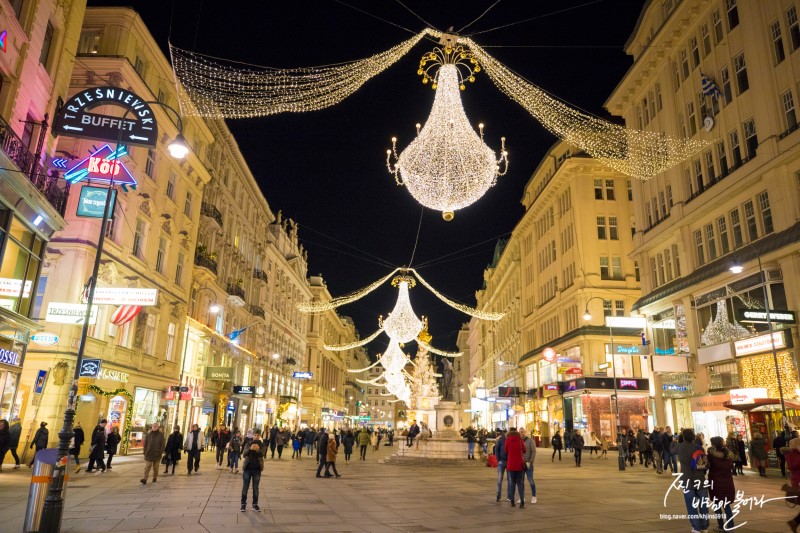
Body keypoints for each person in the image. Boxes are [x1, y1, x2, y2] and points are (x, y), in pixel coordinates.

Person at [677, 428, 710, 533]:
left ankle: (696, 527)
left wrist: (678, 440)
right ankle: (704, 526)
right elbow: (705, 465)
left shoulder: (680, 447)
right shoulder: (698, 447)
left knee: (691, 504)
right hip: (699, 478)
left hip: (687, 479)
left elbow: (671, 448)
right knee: (703, 503)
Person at [707, 436, 736, 532]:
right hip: (727, 482)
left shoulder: (711, 455)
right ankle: (730, 526)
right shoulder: (729, 455)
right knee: (727, 506)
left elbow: (707, 466)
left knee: (717, 506)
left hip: (715, 483)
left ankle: (720, 525)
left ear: (714, 444)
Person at [241, 430, 265, 512]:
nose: (256, 436)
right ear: (252, 435)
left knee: (255, 488)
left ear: (259, 436)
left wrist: (258, 449)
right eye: (255, 435)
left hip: (257, 469)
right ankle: (243, 504)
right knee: (245, 487)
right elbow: (244, 454)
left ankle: (255, 504)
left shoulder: (262, 444)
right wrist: (250, 449)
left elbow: (263, 454)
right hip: (247, 468)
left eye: (258, 435)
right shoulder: (248, 443)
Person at [503, 427, 525, 508]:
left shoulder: (507, 440)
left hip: (511, 464)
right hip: (519, 464)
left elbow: (505, 451)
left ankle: (512, 501)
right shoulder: (520, 440)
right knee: (520, 483)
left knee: (512, 483)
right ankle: (522, 502)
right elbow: (525, 449)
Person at [783, 438, 800, 532]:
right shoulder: (790, 453)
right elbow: (792, 466)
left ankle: (795, 522)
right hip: (798, 482)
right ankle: (795, 522)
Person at [520, 427, 537, 504]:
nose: (521, 433)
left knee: (530, 480)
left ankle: (534, 496)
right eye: (520, 432)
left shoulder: (530, 441)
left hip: (528, 464)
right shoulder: (518, 441)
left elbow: (533, 451)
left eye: (523, 432)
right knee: (521, 482)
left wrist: (530, 462)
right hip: (520, 464)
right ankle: (522, 497)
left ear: (525, 432)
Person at [494, 429, 508, 503]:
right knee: (500, 479)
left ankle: (509, 496)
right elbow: (496, 449)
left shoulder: (510, 439)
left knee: (510, 479)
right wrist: (498, 459)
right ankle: (498, 495)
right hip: (502, 461)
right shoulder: (501, 439)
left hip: (509, 462)